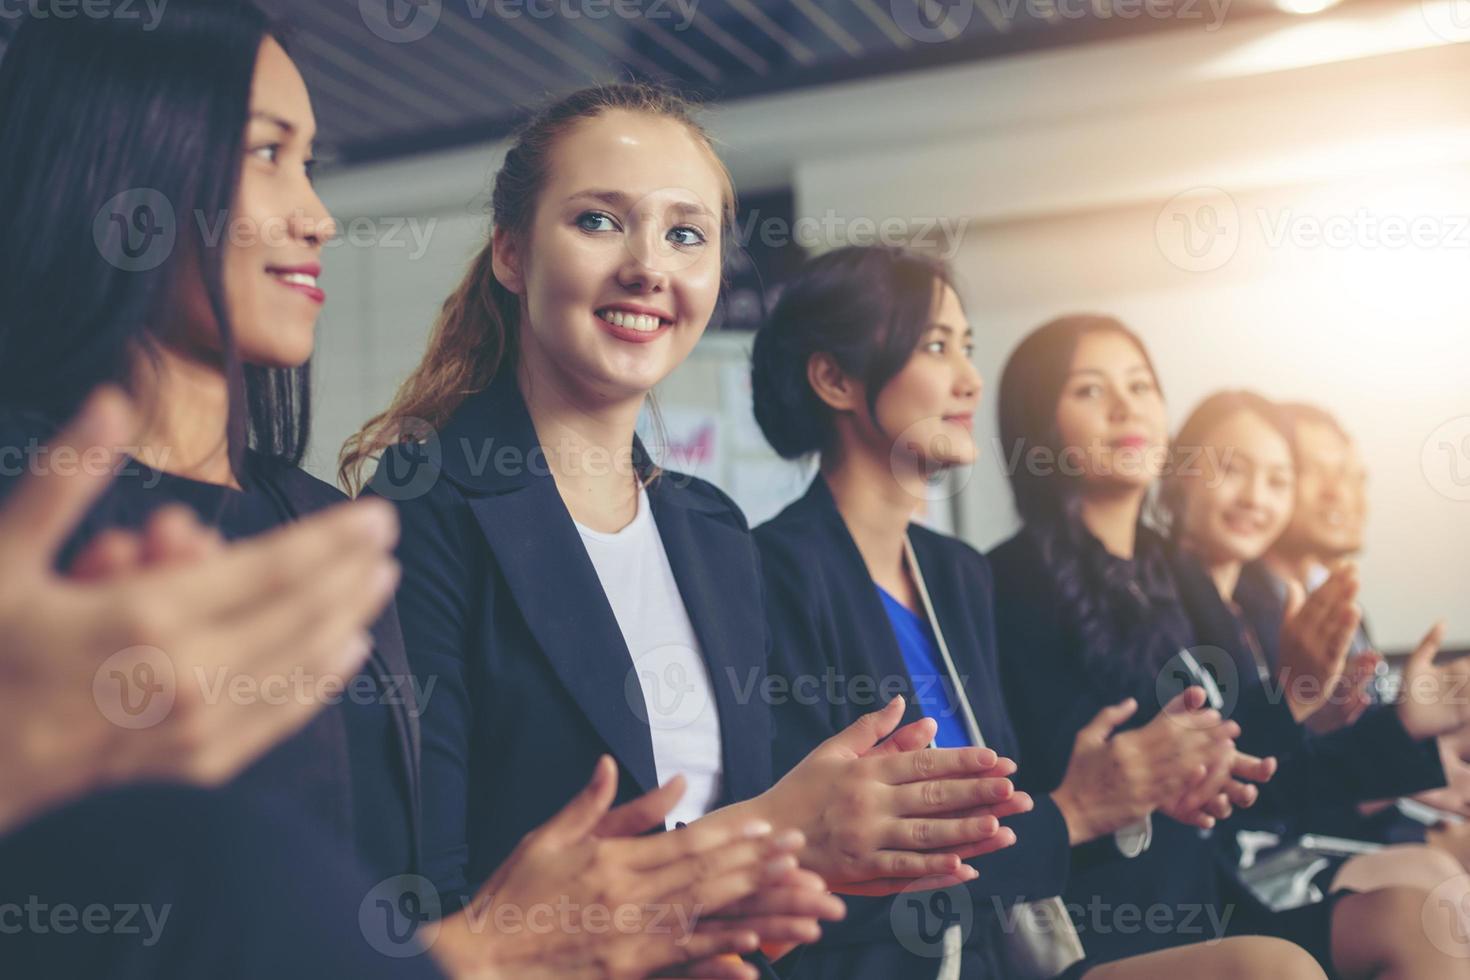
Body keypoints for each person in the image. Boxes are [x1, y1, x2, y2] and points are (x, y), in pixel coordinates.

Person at [0, 7, 821, 978]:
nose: (319, 216)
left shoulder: (318, 525)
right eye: (268, 154)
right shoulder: (409, 511)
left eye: (689, 233)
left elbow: (361, 892)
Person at [340, 86, 1018, 958]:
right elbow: (416, 895)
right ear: (511, 252)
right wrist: (778, 829)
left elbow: (752, 885)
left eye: (685, 234)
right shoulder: (421, 509)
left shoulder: (711, 530)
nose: (648, 266)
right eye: (597, 221)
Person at [746, 246, 1319, 980]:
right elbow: (815, 874)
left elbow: (1013, 820)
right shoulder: (775, 573)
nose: (969, 379)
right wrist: (1077, 809)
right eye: (936, 345)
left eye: (968, 347)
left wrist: (1132, 791)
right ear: (833, 378)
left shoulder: (954, 573)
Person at [987, 314, 1470, 977]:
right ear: (1038, 422)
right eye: (1090, 390)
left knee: (1428, 924)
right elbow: (1061, 792)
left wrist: (1329, 703)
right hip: (1108, 920)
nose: (1127, 405)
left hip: (1209, 901)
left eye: (1141, 385)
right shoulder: (1007, 582)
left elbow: (1254, 772)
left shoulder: (1179, 577)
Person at [1160, 390, 1470, 933]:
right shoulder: (1187, 605)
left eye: (1278, 479)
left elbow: (1285, 750)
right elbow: (1256, 770)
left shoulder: (1254, 606)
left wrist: (1405, 738)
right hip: (1240, 862)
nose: (1257, 496)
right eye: (1233, 469)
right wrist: (1398, 757)